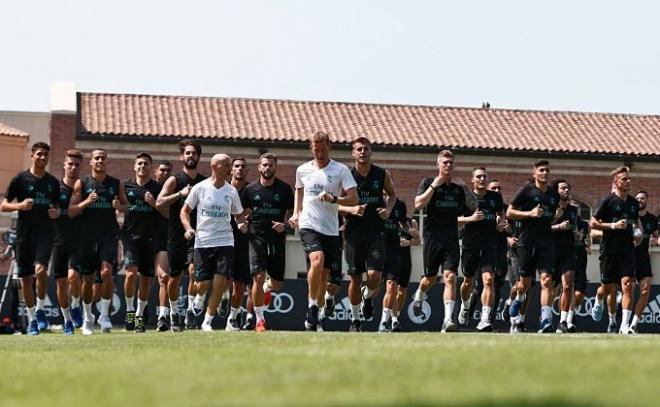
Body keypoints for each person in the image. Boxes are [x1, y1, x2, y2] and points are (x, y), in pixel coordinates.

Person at [288, 131, 358, 331]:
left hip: (331, 229)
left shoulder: (341, 170)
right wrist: (296, 213)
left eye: (323, 149)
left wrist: (334, 199)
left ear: (330, 147)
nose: (319, 153)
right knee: (316, 261)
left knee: (325, 275)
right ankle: (311, 306)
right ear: (311, 149)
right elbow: (299, 191)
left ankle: (316, 315)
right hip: (309, 225)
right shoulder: (302, 170)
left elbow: (354, 199)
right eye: (316, 150)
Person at [180, 154, 245, 332]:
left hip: (225, 241)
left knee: (220, 280)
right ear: (215, 166)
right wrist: (188, 228)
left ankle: (207, 321)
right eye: (227, 166)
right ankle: (199, 299)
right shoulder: (200, 188)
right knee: (202, 284)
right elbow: (184, 211)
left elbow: (238, 215)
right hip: (202, 242)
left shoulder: (231, 192)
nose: (230, 169)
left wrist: (242, 223)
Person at [1, 142, 60, 335]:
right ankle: (32, 320)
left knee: (41, 271)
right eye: (40, 154)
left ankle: (41, 310)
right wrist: (19, 206)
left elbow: (57, 208)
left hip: (45, 235)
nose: (43, 158)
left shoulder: (52, 182)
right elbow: (4, 205)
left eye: (46, 155)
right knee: (26, 280)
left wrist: (55, 212)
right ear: (32, 155)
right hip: (24, 237)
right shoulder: (21, 179)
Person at [339, 137, 396, 332]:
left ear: (371, 151)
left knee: (374, 276)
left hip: (376, 232)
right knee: (355, 278)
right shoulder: (346, 175)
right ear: (353, 153)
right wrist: (351, 210)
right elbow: (338, 204)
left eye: (366, 149)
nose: (362, 152)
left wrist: (387, 209)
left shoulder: (381, 174)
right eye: (359, 149)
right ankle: (355, 320)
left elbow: (392, 194)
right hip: (354, 234)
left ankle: (368, 296)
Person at [69, 149, 127, 334]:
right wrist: (87, 201)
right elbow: (71, 210)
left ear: (106, 162)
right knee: (87, 280)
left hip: (108, 235)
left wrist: (119, 206)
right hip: (86, 237)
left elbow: (126, 205)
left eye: (103, 158)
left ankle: (104, 315)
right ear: (91, 163)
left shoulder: (115, 183)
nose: (100, 160)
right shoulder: (82, 183)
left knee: (107, 273)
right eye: (97, 158)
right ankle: (87, 318)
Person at [412, 150, 469, 333]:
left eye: (451, 162)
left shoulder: (458, 188)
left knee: (450, 277)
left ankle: (447, 320)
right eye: (445, 162)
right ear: (438, 165)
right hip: (432, 239)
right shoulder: (428, 182)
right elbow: (418, 204)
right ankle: (419, 295)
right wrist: (434, 187)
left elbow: (473, 206)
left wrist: (465, 186)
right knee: (429, 279)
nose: (448, 165)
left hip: (451, 239)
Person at [156, 139, 206, 332]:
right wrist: (180, 194)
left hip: (198, 235)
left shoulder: (204, 182)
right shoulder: (174, 180)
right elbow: (159, 202)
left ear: (198, 156)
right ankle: (174, 312)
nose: (190, 156)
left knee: (194, 272)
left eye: (194, 153)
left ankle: (191, 312)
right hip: (176, 234)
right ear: (181, 156)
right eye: (187, 153)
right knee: (174, 278)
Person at [241, 153, 294, 331]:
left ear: (275, 167)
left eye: (271, 165)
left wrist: (285, 225)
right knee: (257, 276)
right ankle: (259, 320)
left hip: (277, 241)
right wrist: (243, 222)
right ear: (259, 167)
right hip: (256, 239)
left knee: (277, 284)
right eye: (264, 165)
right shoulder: (250, 190)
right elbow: (241, 213)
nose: (267, 168)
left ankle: (267, 288)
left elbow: (296, 216)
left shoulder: (285, 190)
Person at [506, 160, 561, 334]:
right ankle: (517, 299)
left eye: (547, 170)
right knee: (524, 285)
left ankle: (545, 320)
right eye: (541, 170)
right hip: (526, 243)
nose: (545, 173)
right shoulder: (526, 190)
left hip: (546, 243)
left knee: (546, 281)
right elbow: (509, 212)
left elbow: (547, 218)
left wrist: (554, 218)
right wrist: (529, 213)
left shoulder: (554, 196)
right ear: (534, 172)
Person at [120, 153, 168, 333]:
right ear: (134, 167)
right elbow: (119, 205)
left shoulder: (157, 188)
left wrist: (154, 203)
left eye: (146, 164)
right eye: (139, 163)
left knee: (147, 279)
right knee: (131, 274)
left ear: (150, 167)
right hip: (130, 237)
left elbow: (168, 214)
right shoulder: (125, 186)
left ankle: (140, 316)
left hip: (151, 238)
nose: (142, 166)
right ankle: (130, 311)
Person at [590, 166, 640, 334]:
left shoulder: (633, 203)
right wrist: (613, 225)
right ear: (616, 182)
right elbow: (593, 223)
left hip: (627, 250)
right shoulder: (607, 201)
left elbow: (635, 224)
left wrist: (638, 233)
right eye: (624, 179)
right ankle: (598, 299)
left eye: (629, 178)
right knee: (607, 288)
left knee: (627, 285)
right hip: (609, 250)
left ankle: (624, 326)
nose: (628, 181)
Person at [457, 167, 504, 332]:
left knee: (488, 281)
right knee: (467, 283)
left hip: (489, 245)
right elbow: (456, 219)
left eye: (484, 176)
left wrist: (500, 223)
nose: (482, 179)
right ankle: (465, 304)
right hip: (470, 246)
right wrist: (471, 218)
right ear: (473, 180)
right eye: (479, 177)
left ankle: (484, 320)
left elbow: (501, 213)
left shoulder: (495, 197)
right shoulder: (466, 198)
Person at [50, 150, 84, 335]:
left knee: (73, 277)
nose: (73, 167)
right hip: (58, 242)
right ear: (64, 164)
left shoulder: (84, 188)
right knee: (61, 283)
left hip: (78, 241)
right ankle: (67, 320)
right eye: (70, 164)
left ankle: (76, 304)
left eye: (76, 164)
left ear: (81, 167)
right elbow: (46, 213)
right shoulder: (55, 189)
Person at [223, 157, 251, 331]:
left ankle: (232, 318)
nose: (240, 169)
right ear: (231, 170)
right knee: (225, 277)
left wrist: (250, 214)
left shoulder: (251, 191)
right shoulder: (222, 189)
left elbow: (253, 210)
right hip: (223, 239)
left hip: (244, 240)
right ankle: (225, 296)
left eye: (243, 167)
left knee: (240, 282)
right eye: (236, 166)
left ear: (247, 170)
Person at [384, 198, 419, 332]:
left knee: (402, 290)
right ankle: (393, 319)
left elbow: (418, 240)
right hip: (391, 257)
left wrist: (409, 242)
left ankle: (396, 315)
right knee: (392, 288)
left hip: (405, 259)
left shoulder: (411, 222)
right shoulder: (387, 219)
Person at [550, 179, 578, 333]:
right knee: (550, 287)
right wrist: (557, 224)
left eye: (568, 188)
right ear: (557, 191)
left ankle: (563, 322)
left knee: (567, 286)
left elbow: (573, 229)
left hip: (568, 251)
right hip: (551, 251)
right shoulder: (550, 207)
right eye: (563, 188)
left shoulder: (573, 210)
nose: (566, 190)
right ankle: (546, 318)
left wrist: (578, 234)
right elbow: (542, 229)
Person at [631, 191, 657, 334]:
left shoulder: (652, 219)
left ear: (647, 200)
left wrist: (657, 241)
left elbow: (655, 236)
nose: (640, 200)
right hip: (628, 258)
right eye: (638, 198)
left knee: (645, 290)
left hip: (644, 259)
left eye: (642, 198)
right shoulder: (630, 217)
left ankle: (634, 324)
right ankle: (622, 322)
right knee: (628, 291)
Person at [153, 161, 173, 330]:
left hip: (163, 240)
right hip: (141, 241)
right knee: (135, 277)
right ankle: (135, 316)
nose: (165, 173)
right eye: (162, 170)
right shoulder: (146, 188)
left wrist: (156, 205)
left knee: (163, 277)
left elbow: (171, 216)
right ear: (156, 172)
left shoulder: (172, 193)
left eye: (168, 171)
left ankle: (162, 317)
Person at [570, 215, 590, 332]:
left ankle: (570, 313)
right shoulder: (565, 221)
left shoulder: (584, 224)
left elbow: (588, 244)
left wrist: (588, 243)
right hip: (568, 260)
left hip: (582, 262)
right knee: (567, 291)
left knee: (580, 294)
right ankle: (568, 319)